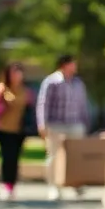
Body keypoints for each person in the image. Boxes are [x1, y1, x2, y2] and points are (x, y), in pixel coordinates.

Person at [36, 54, 91, 201]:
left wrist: (85, 123)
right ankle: (53, 187)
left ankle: (76, 184)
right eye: (73, 63)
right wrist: (42, 123)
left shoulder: (78, 83)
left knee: (76, 156)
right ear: (64, 65)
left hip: (75, 124)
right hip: (56, 124)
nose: (75, 66)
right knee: (53, 156)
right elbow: (43, 104)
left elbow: (83, 105)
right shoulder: (51, 82)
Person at [0, 62, 32, 201]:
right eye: (14, 72)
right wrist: (3, 102)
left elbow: (29, 109)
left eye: (19, 72)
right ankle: (6, 186)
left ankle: (12, 185)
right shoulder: (1, 89)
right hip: (3, 128)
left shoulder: (25, 91)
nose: (17, 75)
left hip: (19, 129)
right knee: (7, 157)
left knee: (15, 158)